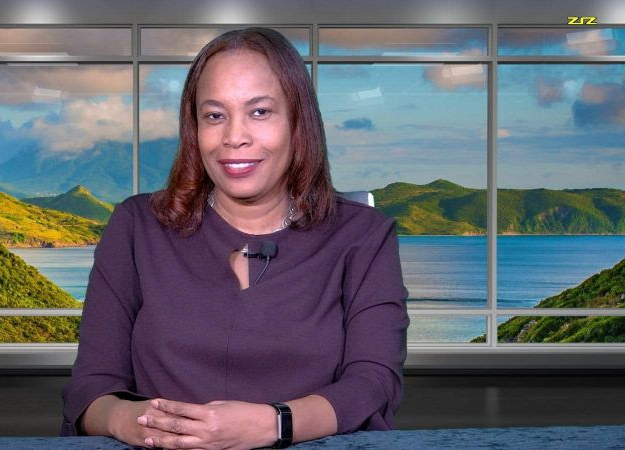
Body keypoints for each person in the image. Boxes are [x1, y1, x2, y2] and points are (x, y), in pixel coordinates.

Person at [60, 27, 410, 449]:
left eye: (259, 112)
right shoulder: (136, 226)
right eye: (215, 115)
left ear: (298, 121)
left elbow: (373, 383)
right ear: (194, 128)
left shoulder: (365, 235)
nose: (234, 136)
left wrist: (273, 424)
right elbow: (90, 390)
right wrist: (127, 420)